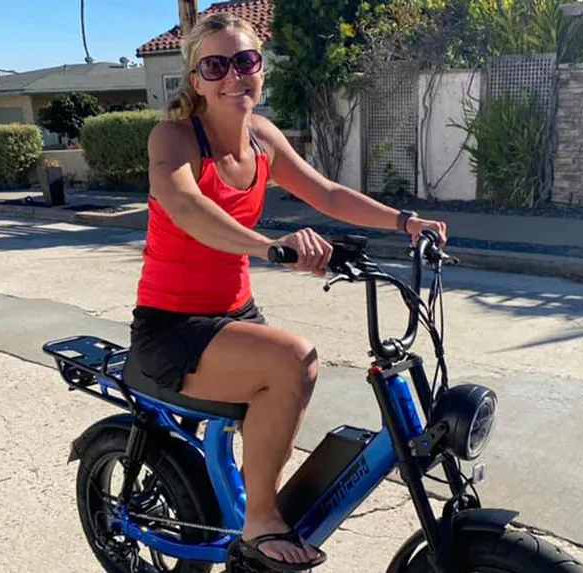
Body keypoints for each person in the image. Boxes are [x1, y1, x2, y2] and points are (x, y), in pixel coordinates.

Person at [129, 11, 448, 571]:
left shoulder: (263, 138)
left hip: (233, 313)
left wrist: (405, 223)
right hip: (172, 325)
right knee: (294, 360)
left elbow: (325, 192)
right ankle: (259, 523)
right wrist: (270, 247)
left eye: (246, 61)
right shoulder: (174, 137)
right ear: (196, 78)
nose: (235, 75)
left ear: (261, 69)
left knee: (279, 385)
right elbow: (186, 207)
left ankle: (258, 502)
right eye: (217, 65)